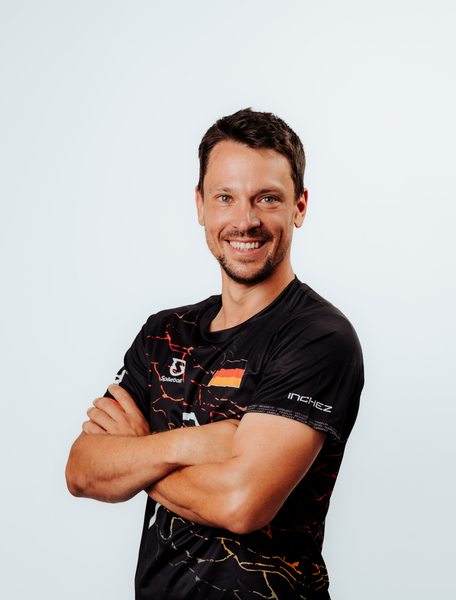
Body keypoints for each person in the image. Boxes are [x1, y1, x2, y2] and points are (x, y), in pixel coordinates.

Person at [66, 108, 364, 599]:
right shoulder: (163, 333)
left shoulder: (318, 338)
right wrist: (196, 444)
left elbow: (241, 503)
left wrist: (136, 454)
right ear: (201, 205)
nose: (245, 221)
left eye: (267, 198)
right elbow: (82, 470)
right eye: (225, 197)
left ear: (300, 207)